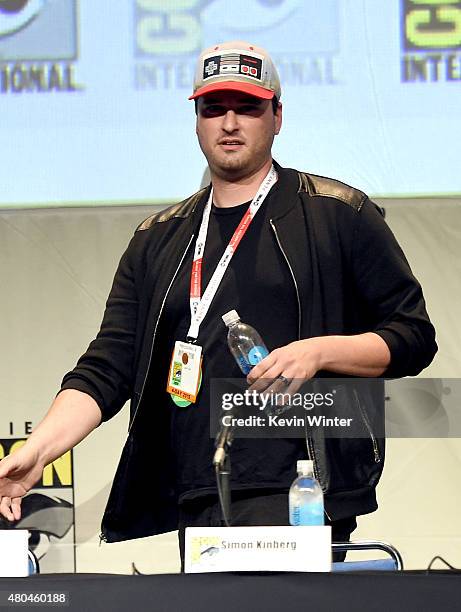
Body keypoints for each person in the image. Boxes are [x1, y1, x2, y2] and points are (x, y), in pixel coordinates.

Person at [0, 41, 437, 565]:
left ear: (278, 117)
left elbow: (413, 336)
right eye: (214, 108)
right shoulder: (158, 238)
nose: (229, 121)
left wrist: (320, 352)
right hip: (196, 489)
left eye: (248, 106)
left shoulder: (336, 214)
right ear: (197, 121)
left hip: (298, 488)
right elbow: (106, 367)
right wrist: (36, 453)